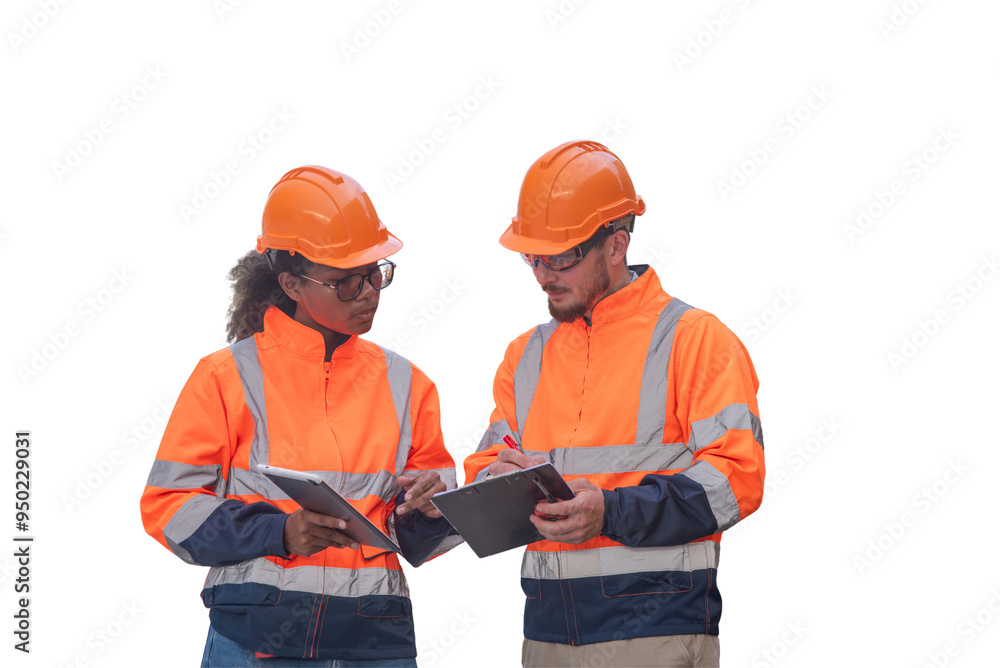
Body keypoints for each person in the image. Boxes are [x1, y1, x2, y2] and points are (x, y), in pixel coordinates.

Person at [140, 165, 463, 665]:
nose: (369, 291)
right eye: (347, 282)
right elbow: (169, 509)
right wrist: (279, 532)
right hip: (257, 641)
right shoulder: (226, 376)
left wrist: (433, 509)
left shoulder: (408, 385)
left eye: (375, 273)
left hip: (375, 641)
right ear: (291, 283)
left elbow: (426, 536)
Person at [463, 140, 766, 668]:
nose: (542, 274)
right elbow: (486, 469)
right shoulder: (525, 357)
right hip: (547, 635)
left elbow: (736, 482)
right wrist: (493, 480)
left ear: (616, 245)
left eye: (559, 257)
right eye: (531, 257)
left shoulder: (695, 340)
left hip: (657, 633)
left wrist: (610, 511)